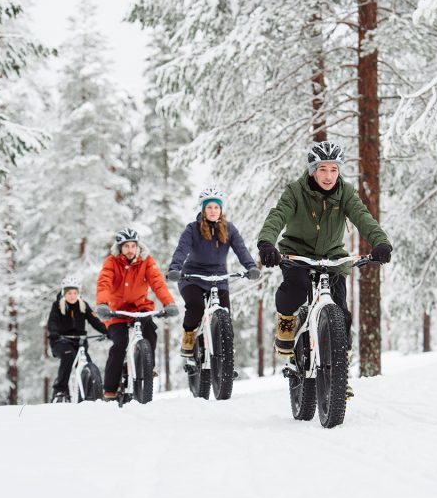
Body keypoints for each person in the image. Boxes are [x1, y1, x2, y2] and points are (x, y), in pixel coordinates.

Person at [257, 141, 393, 356]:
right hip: (297, 254)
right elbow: (278, 216)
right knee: (297, 288)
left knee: (341, 313)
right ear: (313, 171)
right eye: (323, 169)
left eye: (334, 169)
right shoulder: (295, 191)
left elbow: (363, 217)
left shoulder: (345, 192)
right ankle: (286, 321)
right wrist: (266, 243)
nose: (329, 176)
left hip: (332, 258)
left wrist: (381, 242)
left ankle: (340, 372)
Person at [167, 188, 260, 356]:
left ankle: (226, 360)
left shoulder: (229, 229)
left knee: (225, 316)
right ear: (203, 209)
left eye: (216, 207)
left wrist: (251, 267)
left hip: (218, 277)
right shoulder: (192, 229)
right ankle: (189, 335)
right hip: (192, 277)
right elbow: (182, 250)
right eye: (209, 207)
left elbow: (241, 249)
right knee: (196, 307)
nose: (213, 211)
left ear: (221, 210)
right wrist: (175, 269)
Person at [95, 228, 179, 400]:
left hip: (140, 308)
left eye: (133, 246)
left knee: (150, 331)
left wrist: (168, 303)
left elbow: (157, 283)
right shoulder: (111, 262)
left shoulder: (146, 261)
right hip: (116, 311)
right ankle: (110, 390)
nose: (130, 250)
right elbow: (104, 283)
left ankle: (148, 367)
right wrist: (103, 304)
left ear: (138, 247)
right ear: (120, 248)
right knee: (119, 344)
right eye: (126, 246)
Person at [47, 275, 108, 402]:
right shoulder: (57, 306)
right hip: (61, 341)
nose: (72, 296)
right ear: (64, 293)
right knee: (69, 356)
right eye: (69, 293)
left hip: (79, 342)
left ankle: (91, 392)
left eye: (75, 293)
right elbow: (52, 322)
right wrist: (54, 333)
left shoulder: (83, 305)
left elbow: (94, 321)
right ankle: (61, 390)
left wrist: (107, 331)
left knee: (88, 363)